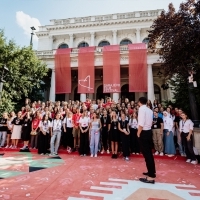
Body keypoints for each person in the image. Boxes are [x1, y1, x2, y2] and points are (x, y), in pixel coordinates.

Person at [137, 97, 155, 184]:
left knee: (147, 154)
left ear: (139, 102)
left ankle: (151, 176)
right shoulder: (150, 110)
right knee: (149, 154)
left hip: (143, 132)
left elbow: (141, 123)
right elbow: (150, 122)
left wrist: (138, 133)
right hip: (148, 131)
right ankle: (151, 171)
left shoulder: (141, 109)